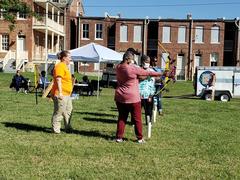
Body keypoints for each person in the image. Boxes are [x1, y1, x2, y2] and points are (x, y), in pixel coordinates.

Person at [114, 51, 165, 143]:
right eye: (132, 59)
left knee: (122, 117)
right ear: (128, 59)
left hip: (120, 96)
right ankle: (140, 138)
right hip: (133, 97)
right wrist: (163, 73)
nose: (133, 61)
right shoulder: (132, 68)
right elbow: (148, 73)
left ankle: (119, 137)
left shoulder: (118, 67)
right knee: (137, 119)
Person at [51, 50, 73, 134]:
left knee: (68, 110)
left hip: (67, 94)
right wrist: (60, 93)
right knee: (59, 112)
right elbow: (58, 79)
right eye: (69, 57)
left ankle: (68, 127)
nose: (70, 59)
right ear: (64, 58)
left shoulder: (65, 66)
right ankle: (56, 129)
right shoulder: (60, 66)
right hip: (61, 94)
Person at [139, 55, 156, 125]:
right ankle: (135, 122)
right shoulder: (138, 70)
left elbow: (155, 80)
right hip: (139, 94)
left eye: (149, 62)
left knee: (149, 109)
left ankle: (148, 122)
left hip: (149, 94)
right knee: (137, 110)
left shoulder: (152, 70)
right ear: (142, 62)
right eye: (146, 62)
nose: (148, 63)